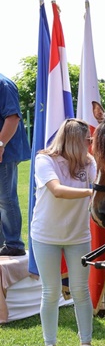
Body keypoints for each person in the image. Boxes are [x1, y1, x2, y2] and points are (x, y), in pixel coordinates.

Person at [31, 119, 96, 346]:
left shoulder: (89, 163)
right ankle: (49, 345)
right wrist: (92, 191)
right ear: (73, 140)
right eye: (86, 140)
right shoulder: (44, 160)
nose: (89, 144)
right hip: (45, 235)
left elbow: (102, 183)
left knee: (80, 291)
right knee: (50, 291)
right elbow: (57, 190)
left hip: (78, 236)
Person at [0, 73, 32, 256]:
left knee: (5, 198)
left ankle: (14, 244)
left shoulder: (4, 84)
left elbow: (13, 118)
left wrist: (1, 144)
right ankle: (4, 243)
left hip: (5, 153)